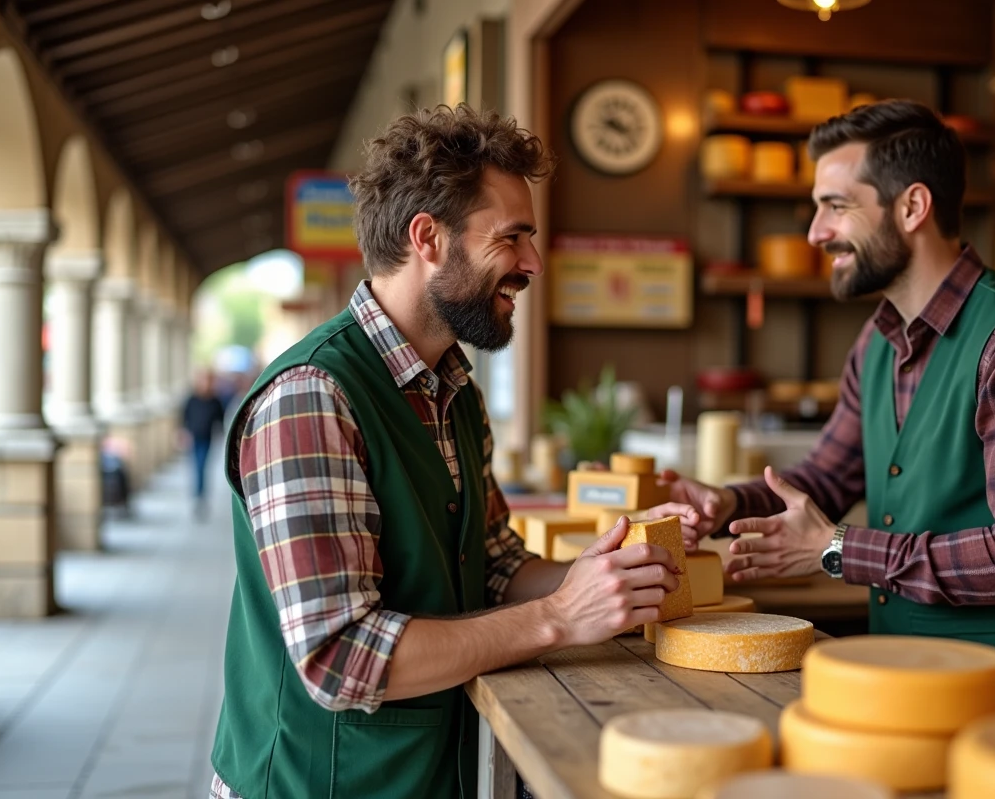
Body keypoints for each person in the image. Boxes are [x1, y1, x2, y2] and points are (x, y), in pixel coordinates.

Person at [208, 105, 680, 799]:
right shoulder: (312, 396)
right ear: (427, 237)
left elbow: (492, 566)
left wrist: (606, 573)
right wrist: (559, 617)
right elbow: (340, 658)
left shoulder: (454, 388)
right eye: (511, 238)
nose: (532, 264)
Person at [652, 100, 995, 707]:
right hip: (909, 686)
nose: (815, 233)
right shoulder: (878, 340)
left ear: (913, 207)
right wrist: (727, 501)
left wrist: (837, 548)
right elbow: (827, 479)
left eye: (836, 206)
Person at [182, 369, 227, 517]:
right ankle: (199, 494)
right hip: (194, 437)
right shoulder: (192, 399)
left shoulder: (215, 400)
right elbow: (184, 417)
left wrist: (221, 435)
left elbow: (221, 419)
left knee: (202, 465)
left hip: (207, 438)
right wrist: (183, 432)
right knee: (197, 466)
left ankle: (200, 495)